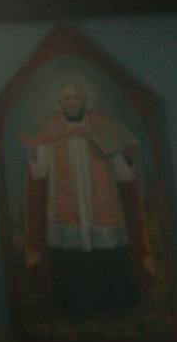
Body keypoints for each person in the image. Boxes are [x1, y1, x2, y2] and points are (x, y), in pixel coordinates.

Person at [23, 78, 154, 314]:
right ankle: (73, 306)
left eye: (76, 97)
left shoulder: (102, 125)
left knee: (108, 255)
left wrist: (127, 156)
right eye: (66, 98)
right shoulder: (50, 129)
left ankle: (115, 305)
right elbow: (40, 171)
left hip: (102, 205)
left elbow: (123, 174)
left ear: (84, 99)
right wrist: (34, 150)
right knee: (70, 258)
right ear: (59, 102)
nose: (72, 102)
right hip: (66, 206)